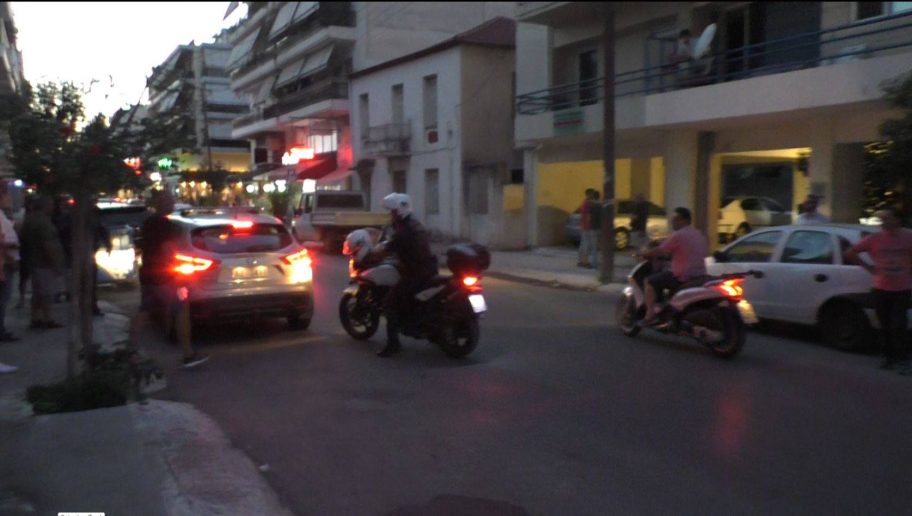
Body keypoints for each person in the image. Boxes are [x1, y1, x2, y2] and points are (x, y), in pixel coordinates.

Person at [127, 190, 208, 369]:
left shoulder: (149, 222)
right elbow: (168, 250)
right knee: (181, 308)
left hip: (148, 274)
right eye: (169, 201)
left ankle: (130, 350)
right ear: (162, 204)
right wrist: (177, 271)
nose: (172, 203)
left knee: (144, 310)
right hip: (165, 277)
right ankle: (187, 354)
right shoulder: (165, 225)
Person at [845, 207, 912, 374]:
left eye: (887, 218)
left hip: (902, 288)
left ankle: (903, 358)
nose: (883, 222)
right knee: (885, 324)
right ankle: (889, 357)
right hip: (881, 288)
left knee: (899, 324)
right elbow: (850, 252)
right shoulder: (874, 239)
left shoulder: (908, 237)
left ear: (897, 220)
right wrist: (869, 267)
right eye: (882, 219)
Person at [370, 192, 437, 357]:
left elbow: (390, 246)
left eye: (392, 212)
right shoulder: (414, 224)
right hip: (429, 268)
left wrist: (377, 251)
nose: (391, 215)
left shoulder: (404, 231)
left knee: (389, 303)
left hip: (415, 272)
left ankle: (393, 345)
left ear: (399, 212)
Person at [638, 207, 709, 326]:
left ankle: (650, 315)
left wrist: (643, 254)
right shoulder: (698, 233)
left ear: (685, 220)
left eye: (676, 219)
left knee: (649, 281)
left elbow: (660, 250)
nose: (673, 222)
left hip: (682, 275)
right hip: (699, 274)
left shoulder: (679, 235)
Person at [19, 196, 65, 329]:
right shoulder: (43, 223)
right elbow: (48, 244)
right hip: (44, 263)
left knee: (37, 292)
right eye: (51, 205)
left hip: (33, 261)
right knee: (46, 293)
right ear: (45, 206)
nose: (53, 207)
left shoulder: (29, 220)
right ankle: (47, 318)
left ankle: (35, 318)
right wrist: (56, 263)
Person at [0, 181, 20, 341]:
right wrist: (10, 257)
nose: (9, 197)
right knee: (2, 299)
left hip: (6, 262)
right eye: (6, 193)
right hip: (4, 264)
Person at [91, 205, 113, 316]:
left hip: (89, 257)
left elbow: (104, 234)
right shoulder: (92, 225)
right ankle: (91, 306)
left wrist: (108, 246)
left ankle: (92, 306)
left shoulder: (96, 225)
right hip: (84, 257)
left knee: (90, 285)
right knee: (89, 284)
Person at [15, 196, 33, 309]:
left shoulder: (20, 218)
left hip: (24, 251)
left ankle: (22, 299)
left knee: (23, 277)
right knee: (27, 277)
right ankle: (24, 298)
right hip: (28, 251)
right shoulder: (22, 219)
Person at [577, 189, 596, 269]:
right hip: (586, 227)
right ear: (588, 194)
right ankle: (585, 262)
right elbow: (588, 216)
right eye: (591, 194)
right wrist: (589, 225)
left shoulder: (584, 202)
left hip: (583, 227)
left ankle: (580, 261)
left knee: (583, 245)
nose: (592, 195)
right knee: (586, 245)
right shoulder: (588, 204)